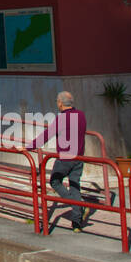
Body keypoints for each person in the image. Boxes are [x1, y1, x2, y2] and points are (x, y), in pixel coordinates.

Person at [29, 91, 89, 232]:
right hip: (79, 157)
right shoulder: (81, 115)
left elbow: (47, 135)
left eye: (57, 101)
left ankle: (77, 206)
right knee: (75, 186)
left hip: (65, 157)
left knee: (55, 181)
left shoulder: (61, 119)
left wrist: (28, 147)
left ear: (60, 103)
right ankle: (76, 222)